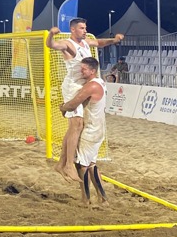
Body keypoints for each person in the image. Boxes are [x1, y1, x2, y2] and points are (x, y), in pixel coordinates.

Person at [45, 19, 123, 183]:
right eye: (81, 28)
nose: (85, 30)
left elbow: (100, 42)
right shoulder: (68, 44)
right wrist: (51, 34)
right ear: (73, 30)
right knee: (77, 125)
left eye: (85, 27)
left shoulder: (86, 42)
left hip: (84, 87)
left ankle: (62, 164)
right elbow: (51, 45)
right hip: (73, 87)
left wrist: (113, 40)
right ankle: (67, 165)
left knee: (76, 126)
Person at [58, 57, 109, 207]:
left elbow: (73, 103)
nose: (81, 71)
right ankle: (103, 198)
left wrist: (63, 107)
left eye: (84, 68)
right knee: (91, 164)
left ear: (92, 71)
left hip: (91, 130)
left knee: (82, 165)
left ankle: (85, 199)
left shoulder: (91, 86)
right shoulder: (99, 82)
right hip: (97, 128)